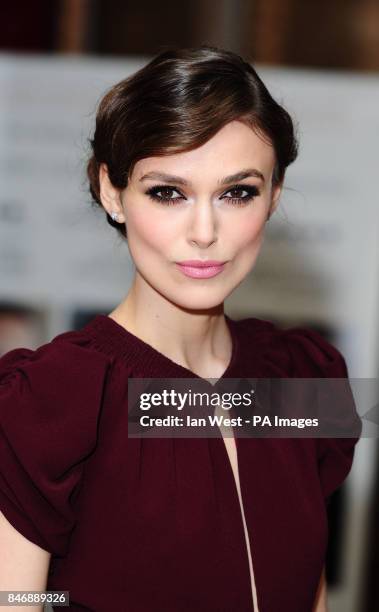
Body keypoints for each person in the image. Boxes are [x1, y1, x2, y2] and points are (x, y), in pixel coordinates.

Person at [0, 45, 361, 612]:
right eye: (167, 192)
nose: (203, 231)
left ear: (274, 197)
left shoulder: (304, 379)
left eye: (237, 192)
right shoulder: (52, 399)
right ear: (111, 191)